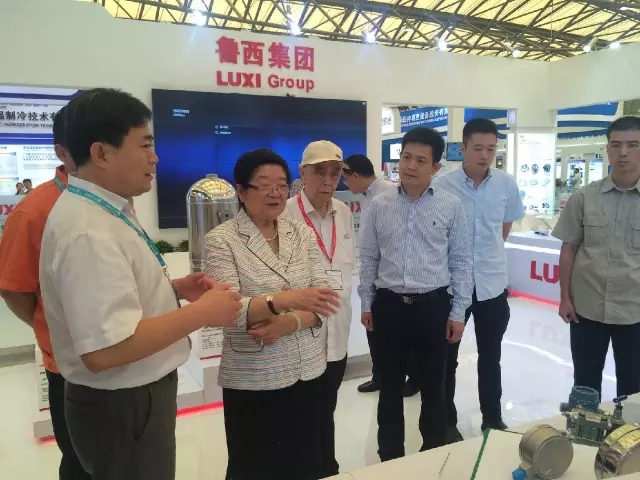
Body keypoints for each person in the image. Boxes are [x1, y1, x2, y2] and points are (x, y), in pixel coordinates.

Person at [39, 88, 242, 480]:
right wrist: (201, 314)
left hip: (132, 397)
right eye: (145, 145)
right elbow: (105, 351)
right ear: (101, 153)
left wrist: (174, 289)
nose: (155, 157)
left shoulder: (106, 209)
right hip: (122, 402)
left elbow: (112, 300)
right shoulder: (87, 231)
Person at [205, 149, 341, 480]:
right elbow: (229, 310)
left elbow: (322, 299)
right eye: (264, 185)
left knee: (306, 462)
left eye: (281, 185)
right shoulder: (221, 241)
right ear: (241, 191)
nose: (275, 193)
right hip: (254, 377)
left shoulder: (301, 233)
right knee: (256, 466)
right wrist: (289, 299)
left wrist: (288, 321)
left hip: (307, 371)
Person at [358, 127, 473, 461]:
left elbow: (461, 261)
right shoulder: (379, 205)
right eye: (406, 157)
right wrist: (367, 302)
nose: (410, 165)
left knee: (434, 387)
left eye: (420, 160)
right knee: (389, 388)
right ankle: (389, 456)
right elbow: (369, 258)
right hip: (389, 307)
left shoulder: (451, 206)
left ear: (435, 167)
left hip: (433, 307)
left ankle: (432, 453)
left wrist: (458, 312)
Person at [0, 108, 90, 480]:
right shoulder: (34, 212)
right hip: (71, 368)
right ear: (63, 152)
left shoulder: (116, 202)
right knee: (82, 463)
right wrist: (54, 328)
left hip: (123, 362)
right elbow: (14, 290)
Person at [433, 118, 525, 441]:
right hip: (452, 288)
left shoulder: (506, 185)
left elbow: (503, 229)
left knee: (491, 357)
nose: (485, 156)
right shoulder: (442, 186)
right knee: (447, 360)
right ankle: (446, 422)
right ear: (463, 148)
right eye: (477, 148)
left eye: (490, 149)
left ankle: (493, 419)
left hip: (491, 287)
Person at [553, 115, 640, 401]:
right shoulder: (584, 198)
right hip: (587, 309)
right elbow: (569, 248)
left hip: (635, 311)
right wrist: (564, 298)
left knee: (634, 389)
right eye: (616, 145)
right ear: (608, 148)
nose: (623, 152)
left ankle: (630, 431)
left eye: (633, 145)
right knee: (585, 385)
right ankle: (585, 429)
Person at [283, 140, 355, 477]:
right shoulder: (285, 214)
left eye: (335, 172)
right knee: (301, 413)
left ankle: (327, 466)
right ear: (302, 173)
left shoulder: (343, 211)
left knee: (327, 406)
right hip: (300, 333)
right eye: (319, 172)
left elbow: (346, 264)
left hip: (337, 330)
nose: (328, 180)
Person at [342, 153, 419, 398]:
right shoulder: (368, 196)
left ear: (355, 175)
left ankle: (414, 378)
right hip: (374, 275)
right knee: (374, 329)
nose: (344, 184)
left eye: (345, 178)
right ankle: (380, 376)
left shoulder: (391, 194)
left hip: (393, 277)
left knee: (399, 333)